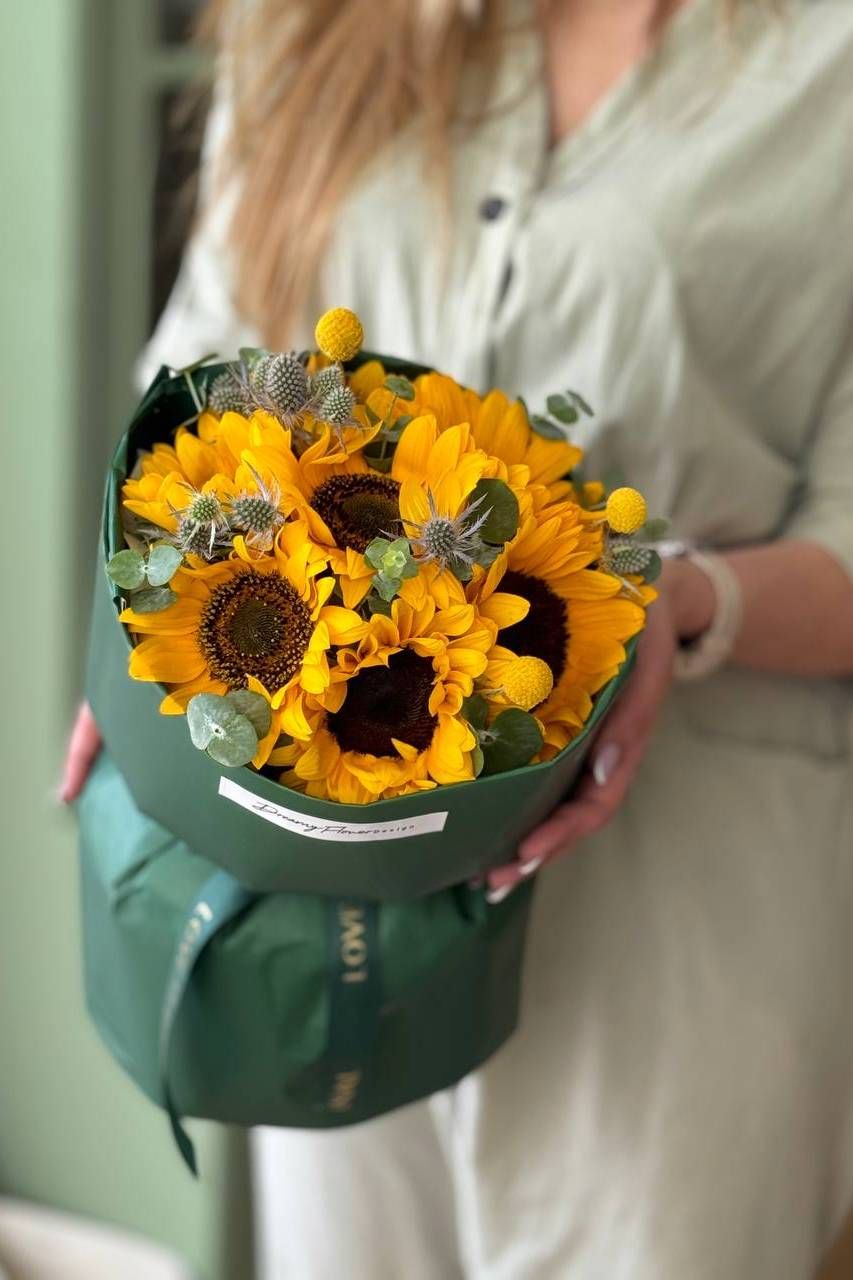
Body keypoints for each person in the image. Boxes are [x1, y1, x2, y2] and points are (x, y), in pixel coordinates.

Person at [63, 0, 853, 1275]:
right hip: (322, 866)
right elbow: (206, 367)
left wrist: (677, 599)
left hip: (681, 894)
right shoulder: (314, 25)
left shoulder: (826, 66)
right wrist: (146, 646)